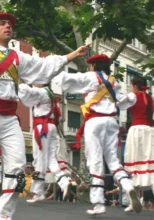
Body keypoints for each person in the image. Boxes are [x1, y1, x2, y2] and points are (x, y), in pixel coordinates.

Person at [0, 10, 87, 219]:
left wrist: (71, 55)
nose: (8, 26)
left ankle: (4, 214)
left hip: (10, 118)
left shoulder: (18, 57)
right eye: (2, 24)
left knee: (18, 168)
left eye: (10, 24)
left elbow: (44, 66)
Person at [56, 54, 142, 215]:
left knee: (95, 160)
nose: (89, 68)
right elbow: (123, 101)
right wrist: (132, 97)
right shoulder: (114, 81)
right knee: (113, 160)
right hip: (111, 122)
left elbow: (66, 80)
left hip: (94, 122)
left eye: (91, 65)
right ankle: (128, 186)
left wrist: (54, 69)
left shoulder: (90, 77)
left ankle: (98, 203)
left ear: (94, 65)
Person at [17, 83, 72, 203]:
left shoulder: (41, 92)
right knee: (51, 159)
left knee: (39, 159)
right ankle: (63, 181)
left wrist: (19, 81)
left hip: (42, 128)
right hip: (51, 127)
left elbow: (25, 93)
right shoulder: (50, 94)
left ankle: (38, 192)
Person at [118, 76, 154, 212]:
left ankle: (133, 200)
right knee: (149, 165)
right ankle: (134, 202)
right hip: (150, 131)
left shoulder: (133, 96)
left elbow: (119, 103)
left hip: (137, 130)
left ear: (135, 86)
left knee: (135, 166)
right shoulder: (150, 98)